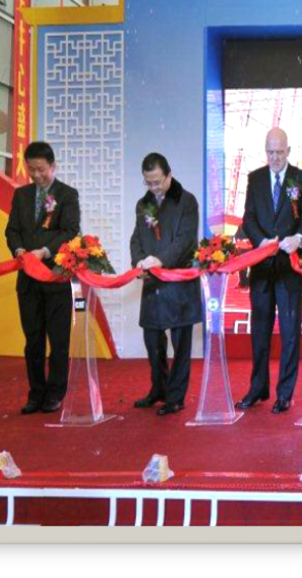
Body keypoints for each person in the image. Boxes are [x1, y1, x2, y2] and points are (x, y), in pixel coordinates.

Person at [235, 128, 302, 414]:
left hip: (289, 269)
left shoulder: (301, 179)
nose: (275, 157)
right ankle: (258, 388)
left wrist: (299, 239)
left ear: (288, 151)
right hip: (262, 267)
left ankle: (285, 393)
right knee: (259, 331)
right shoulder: (255, 179)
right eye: (270, 152)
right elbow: (248, 218)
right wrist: (261, 241)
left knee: (290, 332)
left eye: (280, 152)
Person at [5, 141, 81, 415]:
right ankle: (36, 393)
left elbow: (70, 231)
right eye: (31, 169)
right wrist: (19, 250)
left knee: (58, 341)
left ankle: (55, 393)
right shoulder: (21, 195)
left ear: (53, 166)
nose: (36, 175)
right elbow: (12, 230)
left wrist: (44, 251)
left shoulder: (67, 194)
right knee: (33, 340)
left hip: (55, 278)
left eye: (41, 169)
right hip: (28, 280)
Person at [128, 153, 203, 416]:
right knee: (153, 340)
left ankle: (176, 397)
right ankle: (159, 388)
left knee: (180, 343)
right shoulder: (143, 204)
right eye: (148, 183)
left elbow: (185, 241)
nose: (154, 188)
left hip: (178, 281)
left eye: (158, 182)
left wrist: (160, 261)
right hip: (152, 282)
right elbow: (136, 238)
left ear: (169, 175)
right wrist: (138, 263)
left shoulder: (187, 201)